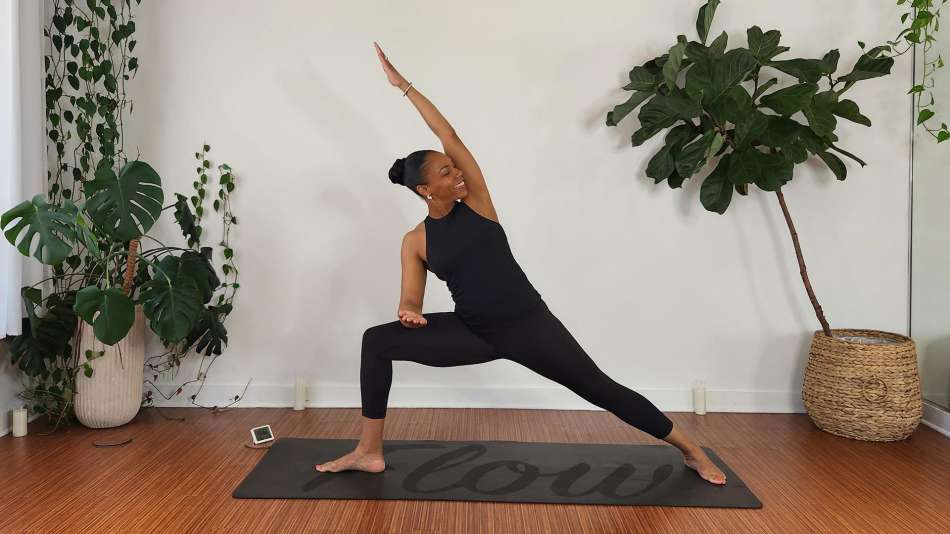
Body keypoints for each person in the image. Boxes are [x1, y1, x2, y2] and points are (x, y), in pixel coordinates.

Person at [314, 42, 727, 486]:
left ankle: (692, 451)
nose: (457, 174)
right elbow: (410, 297)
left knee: (601, 389)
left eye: (456, 169)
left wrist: (404, 86)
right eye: (446, 173)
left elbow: (448, 135)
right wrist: (409, 312)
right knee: (376, 342)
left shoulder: (477, 204)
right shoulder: (415, 241)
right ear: (424, 190)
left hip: (529, 326)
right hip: (473, 331)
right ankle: (368, 452)